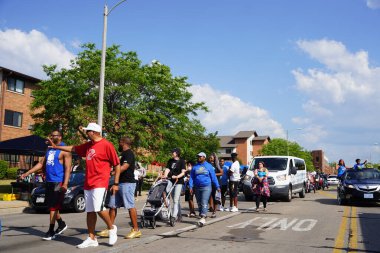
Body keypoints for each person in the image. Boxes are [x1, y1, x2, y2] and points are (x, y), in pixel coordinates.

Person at [47, 123, 120, 248]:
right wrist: (56, 146)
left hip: (100, 182)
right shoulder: (88, 145)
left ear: (94, 132)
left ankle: (111, 228)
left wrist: (116, 183)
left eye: (88, 131)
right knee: (90, 211)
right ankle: (92, 238)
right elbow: (74, 149)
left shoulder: (107, 145)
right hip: (88, 183)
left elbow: (117, 164)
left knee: (99, 208)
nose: (86, 133)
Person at [21, 130, 72, 240]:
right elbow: (41, 163)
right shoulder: (49, 149)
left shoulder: (65, 150)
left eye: (55, 135)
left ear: (60, 137)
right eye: (52, 135)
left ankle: (51, 231)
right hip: (48, 181)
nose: (53, 137)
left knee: (53, 207)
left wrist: (66, 183)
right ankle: (61, 224)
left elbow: (68, 168)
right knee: (51, 206)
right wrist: (27, 173)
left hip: (58, 181)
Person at [98, 136, 142, 239]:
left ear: (123, 142)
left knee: (130, 206)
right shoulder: (122, 154)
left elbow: (124, 167)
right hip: (118, 183)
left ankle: (136, 230)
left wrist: (112, 172)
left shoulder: (129, 153)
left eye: (119, 142)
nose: (118, 144)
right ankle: (110, 229)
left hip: (127, 183)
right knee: (113, 206)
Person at [189, 152, 220, 227]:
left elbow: (213, 177)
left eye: (200, 156)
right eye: (198, 156)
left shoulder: (209, 166)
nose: (198, 158)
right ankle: (201, 214)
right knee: (199, 202)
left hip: (206, 187)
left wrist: (217, 186)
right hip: (197, 187)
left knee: (204, 201)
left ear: (204, 157)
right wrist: (190, 186)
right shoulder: (195, 167)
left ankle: (203, 217)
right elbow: (191, 177)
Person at [163, 148, 186, 223]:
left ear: (177, 153)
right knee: (171, 197)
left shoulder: (182, 161)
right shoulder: (170, 161)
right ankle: (175, 214)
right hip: (171, 180)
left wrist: (177, 176)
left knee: (176, 199)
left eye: (173, 152)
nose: (172, 153)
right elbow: (167, 169)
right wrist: (165, 175)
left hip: (178, 181)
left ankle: (174, 216)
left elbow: (183, 172)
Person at [208, 153, 223, 218]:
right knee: (209, 195)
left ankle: (214, 211)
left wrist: (214, 175)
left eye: (212, 157)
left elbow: (221, 173)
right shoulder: (207, 165)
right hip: (209, 182)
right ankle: (210, 207)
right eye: (210, 157)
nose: (210, 159)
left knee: (215, 197)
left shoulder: (217, 165)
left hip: (216, 182)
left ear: (214, 158)